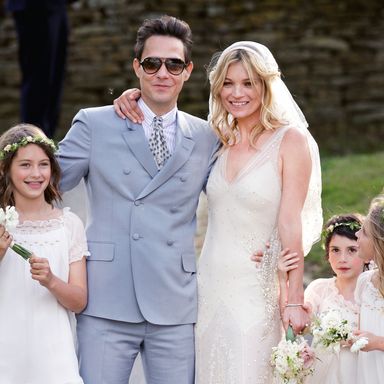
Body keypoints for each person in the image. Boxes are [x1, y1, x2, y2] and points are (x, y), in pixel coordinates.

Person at [114, 41, 322, 383]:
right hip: (208, 286)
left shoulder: (290, 141)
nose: (236, 93)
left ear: (265, 86)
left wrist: (294, 298)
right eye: (228, 83)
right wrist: (130, 96)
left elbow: (290, 221)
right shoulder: (213, 139)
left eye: (247, 83)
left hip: (257, 288)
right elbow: (162, 128)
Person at [57, 16, 219, 384]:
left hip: (175, 303)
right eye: (152, 63)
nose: (163, 72)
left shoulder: (207, 136)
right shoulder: (94, 124)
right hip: (106, 299)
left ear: (188, 71)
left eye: (173, 64)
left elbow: (234, 194)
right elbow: (43, 182)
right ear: (137, 68)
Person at [0, 123, 88, 384]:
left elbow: (79, 301)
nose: (36, 174)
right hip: (6, 354)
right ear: (6, 169)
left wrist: (51, 281)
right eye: (25, 165)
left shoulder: (68, 226)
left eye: (43, 164)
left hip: (54, 358)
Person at [277, 214, 365, 383]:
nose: (342, 259)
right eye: (335, 250)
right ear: (327, 254)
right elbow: (293, 326)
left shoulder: (373, 294)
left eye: (352, 250)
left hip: (361, 374)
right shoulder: (320, 289)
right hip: (323, 376)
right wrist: (282, 281)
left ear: (365, 250)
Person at [5, 0, 70, 137]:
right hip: (34, 6)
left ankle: (45, 139)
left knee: (55, 78)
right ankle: (32, 139)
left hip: (57, 5)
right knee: (38, 78)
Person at [353, 195, 384, 383]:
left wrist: (378, 342)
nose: (356, 234)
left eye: (364, 232)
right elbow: (360, 330)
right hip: (368, 374)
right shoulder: (364, 282)